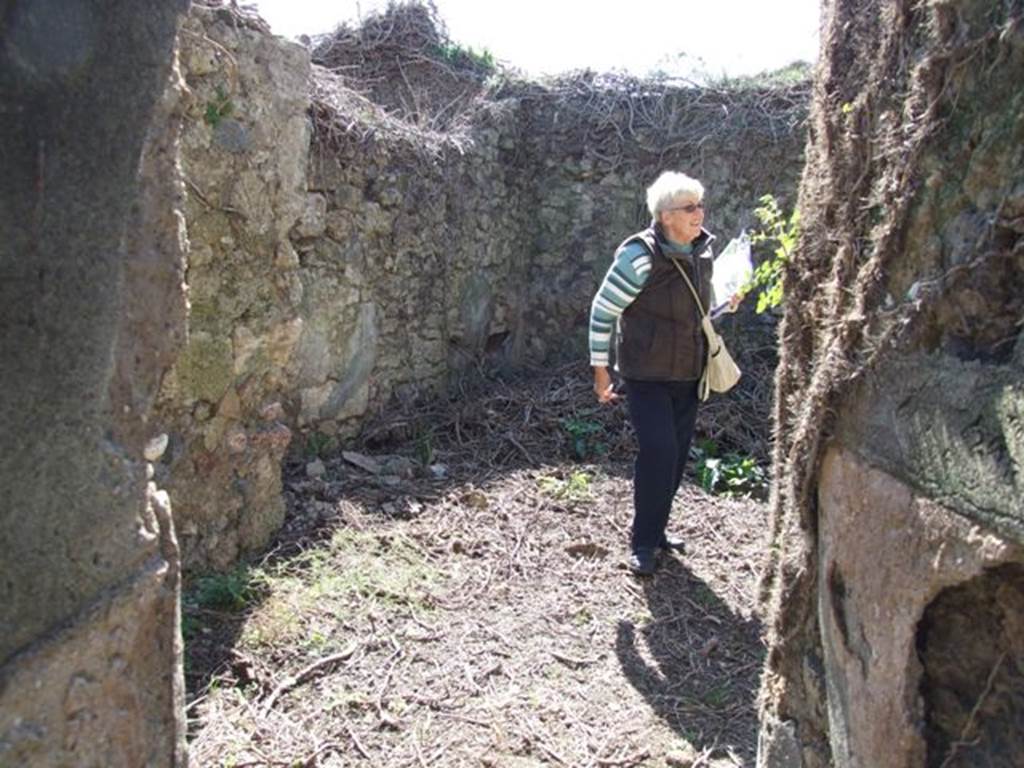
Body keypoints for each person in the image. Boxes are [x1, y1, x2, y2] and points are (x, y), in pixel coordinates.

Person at [589, 171, 739, 576]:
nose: (699, 213)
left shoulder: (701, 253)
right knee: (659, 452)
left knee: (673, 460)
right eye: (689, 207)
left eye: (700, 205)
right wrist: (600, 370)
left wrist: (726, 304)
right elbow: (603, 311)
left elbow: (698, 313)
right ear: (665, 215)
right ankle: (642, 543)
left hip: (689, 374)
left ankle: (656, 534)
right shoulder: (639, 256)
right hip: (646, 375)